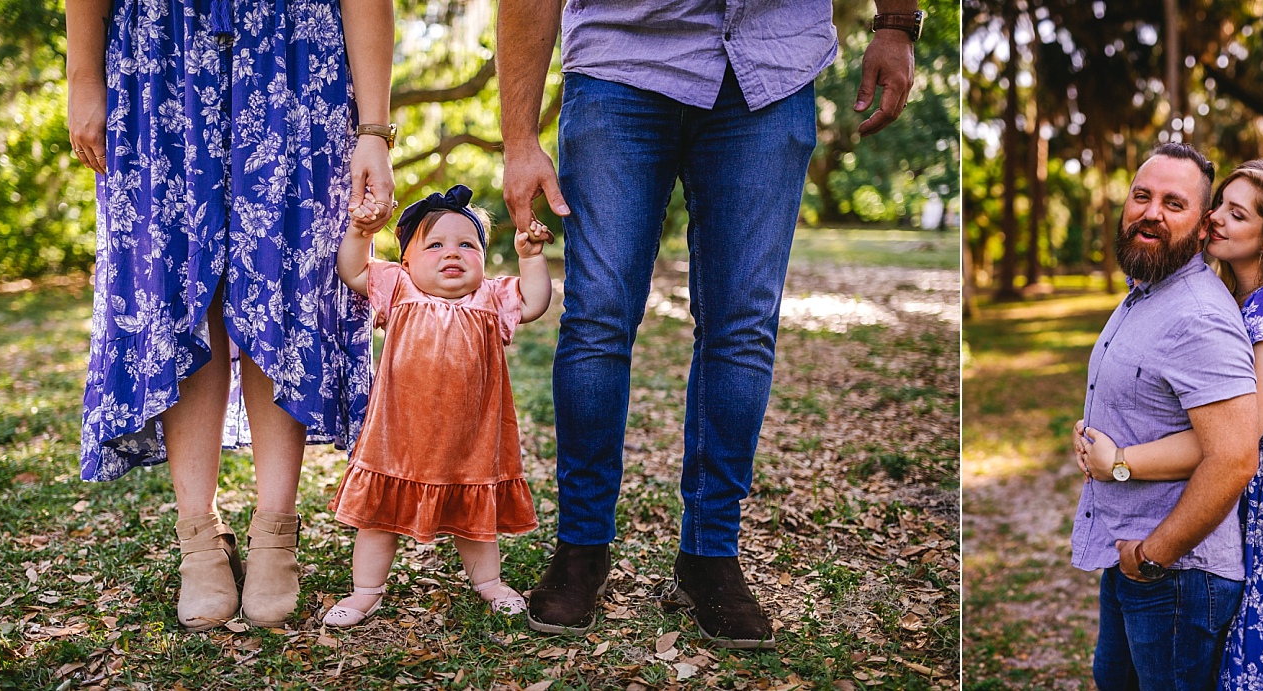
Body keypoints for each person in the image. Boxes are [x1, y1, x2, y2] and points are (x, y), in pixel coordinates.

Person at [495, 0, 920, 648]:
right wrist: (518, 138)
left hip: (772, 62)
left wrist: (896, 21)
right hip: (621, 58)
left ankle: (709, 554)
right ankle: (581, 545)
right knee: (598, 316)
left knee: (741, 324)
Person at [66, 0, 396, 631]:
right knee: (178, 289)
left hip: (297, 52)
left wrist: (374, 130)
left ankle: (276, 533)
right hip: (159, 53)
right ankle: (199, 538)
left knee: (283, 288)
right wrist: (85, 77)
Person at [1076, 160, 1263, 689]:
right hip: (1258, 486)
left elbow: (1237, 441)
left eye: (1236, 215)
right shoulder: (1237, 299)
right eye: (1219, 207)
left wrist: (1120, 462)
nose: (1215, 222)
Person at [1068, 142, 1262, 690]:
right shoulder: (1147, 291)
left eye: (1174, 203)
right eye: (1141, 196)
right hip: (1128, 550)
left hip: (1174, 571)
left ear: (1203, 228)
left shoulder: (1200, 315)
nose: (1151, 212)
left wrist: (1153, 556)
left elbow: (1234, 457)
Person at [320, 185, 553, 627]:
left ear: (483, 260)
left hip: (473, 442)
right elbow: (352, 270)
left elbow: (534, 302)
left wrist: (530, 258)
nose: (454, 253)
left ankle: (489, 583)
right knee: (380, 518)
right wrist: (360, 231)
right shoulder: (399, 289)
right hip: (398, 441)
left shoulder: (490, 297)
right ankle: (365, 591)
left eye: (468, 244)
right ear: (406, 261)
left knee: (475, 518)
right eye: (436, 245)